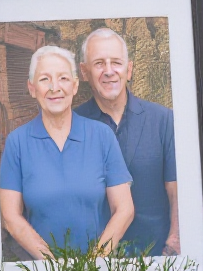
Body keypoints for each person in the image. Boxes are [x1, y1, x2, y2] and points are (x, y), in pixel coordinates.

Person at [0, 43, 134, 260]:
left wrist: (93, 264)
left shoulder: (102, 136)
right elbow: (11, 217)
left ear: (75, 85)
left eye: (63, 78)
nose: (55, 87)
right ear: (32, 88)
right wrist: (54, 267)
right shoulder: (17, 142)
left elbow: (124, 209)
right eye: (44, 79)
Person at [74, 27, 180, 257]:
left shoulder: (163, 120)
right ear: (84, 72)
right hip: (92, 260)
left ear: (129, 69)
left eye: (117, 63)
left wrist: (174, 241)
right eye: (99, 63)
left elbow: (176, 191)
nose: (109, 71)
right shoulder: (73, 125)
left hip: (155, 256)